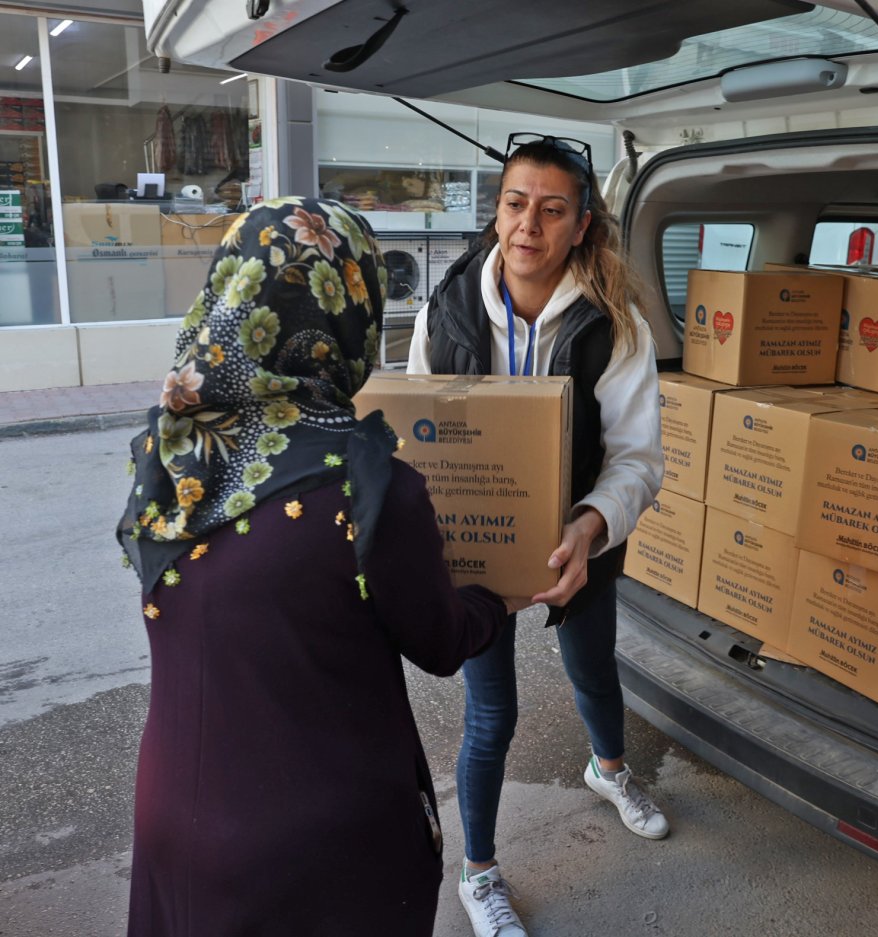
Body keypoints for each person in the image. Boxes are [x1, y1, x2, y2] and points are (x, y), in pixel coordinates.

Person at [116, 197, 518, 937]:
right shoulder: (367, 484)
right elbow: (442, 640)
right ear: (347, 310)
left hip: (175, 816)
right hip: (326, 848)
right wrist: (504, 597)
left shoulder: (166, 455)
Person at [407, 133, 667, 937]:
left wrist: (589, 528)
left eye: (553, 210)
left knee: (593, 671)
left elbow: (637, 459)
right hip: (478, 544)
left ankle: (609, 769)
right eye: (516, 204)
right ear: (497, 211)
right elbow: (413, 431)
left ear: (582, 225)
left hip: (578, 540)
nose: (529, 225)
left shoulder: (614, 327)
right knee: (491, 714)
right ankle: (479, 873)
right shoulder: (444, 310)